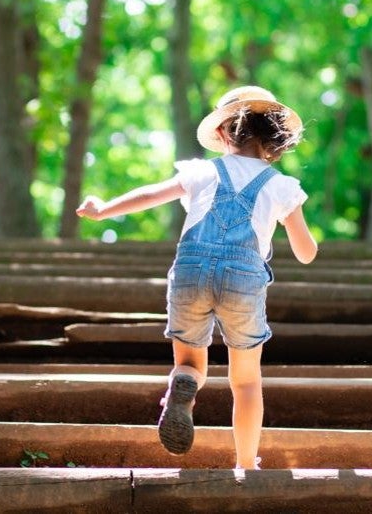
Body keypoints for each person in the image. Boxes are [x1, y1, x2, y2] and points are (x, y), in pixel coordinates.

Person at [76, 85, 318, 471]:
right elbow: (306, 253)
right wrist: (291, 222)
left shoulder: (202, 171)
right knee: (246, 381)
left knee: (190, 361)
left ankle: (184, 383)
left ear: (222, 135)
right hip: (244, 280)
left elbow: (151, 194)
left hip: (191, 271)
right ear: (274, 140)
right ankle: (245, 464)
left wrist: (103, 210)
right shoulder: (282, 186)